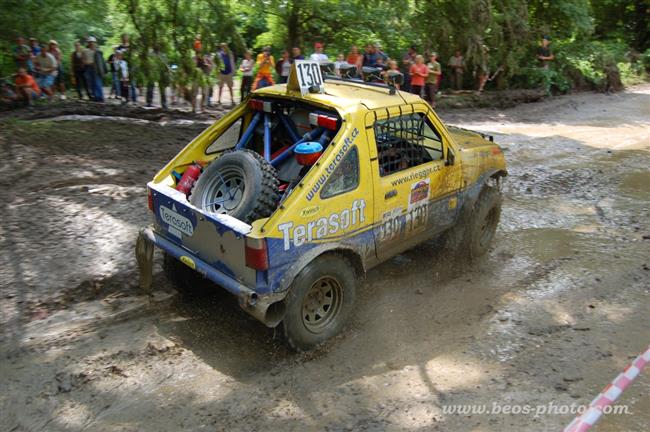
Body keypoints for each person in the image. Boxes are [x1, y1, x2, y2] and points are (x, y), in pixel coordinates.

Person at [82, 36, 107, 102]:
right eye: (90, 42)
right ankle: (95, 97)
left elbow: (102, 61)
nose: (91, 43)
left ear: (95, 43)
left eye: (92, 42)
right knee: (91, 83)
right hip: (88, 68)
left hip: (96, 69)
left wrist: (104, 70)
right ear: (88, 43)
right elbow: (83, 60)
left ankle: (100, 97)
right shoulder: (85, 51)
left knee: (97, 82)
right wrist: (89, 63)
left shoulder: (98, 51)